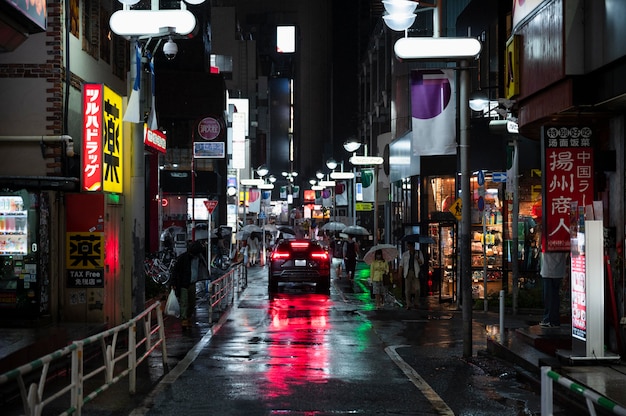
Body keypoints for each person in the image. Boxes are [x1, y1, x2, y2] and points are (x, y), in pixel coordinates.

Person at [171, 241, 205, 328]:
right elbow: (176, 271)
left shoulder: (198, 258)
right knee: (184, 302)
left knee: (192, 303)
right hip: (184, 283)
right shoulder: (183, 258)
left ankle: (188, 317)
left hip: (192, 282)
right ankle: (184, 319)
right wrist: (174, 282)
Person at [540, 251, 569, 327]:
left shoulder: (546, 241)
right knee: (555, 296)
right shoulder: (561, 243)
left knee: (548, 297)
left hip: (548, 272)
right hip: (559, 272)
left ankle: (548, 319)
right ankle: (555, 319)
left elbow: (541, 248)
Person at [399, 243, 424, 309]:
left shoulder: (418, 253)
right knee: (407, 289)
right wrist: (400, 273)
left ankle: (416, 302)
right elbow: (401, 264)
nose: (410, 248)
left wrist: (417, 259)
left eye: (411, 246)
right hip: (408, 272)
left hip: (416, 272)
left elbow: (422, 262)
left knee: (417, 289)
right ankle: (408, 303)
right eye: (409, 246)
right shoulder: (405, 254)